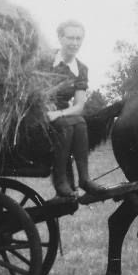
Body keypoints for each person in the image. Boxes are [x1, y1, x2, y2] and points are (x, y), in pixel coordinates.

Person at [44, 19, 105, 201]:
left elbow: (79, 106)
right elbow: (31, 89)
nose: (74, 43)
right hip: (38, 108)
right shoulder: (45, 59)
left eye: (79, 39)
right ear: (60, 38)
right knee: (70, 124)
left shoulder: (81, 69)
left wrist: (59, 113)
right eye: (70, 38)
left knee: (78, 122)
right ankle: (61, 180)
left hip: (60, 114)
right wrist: (48, 110)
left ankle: (84, 179)